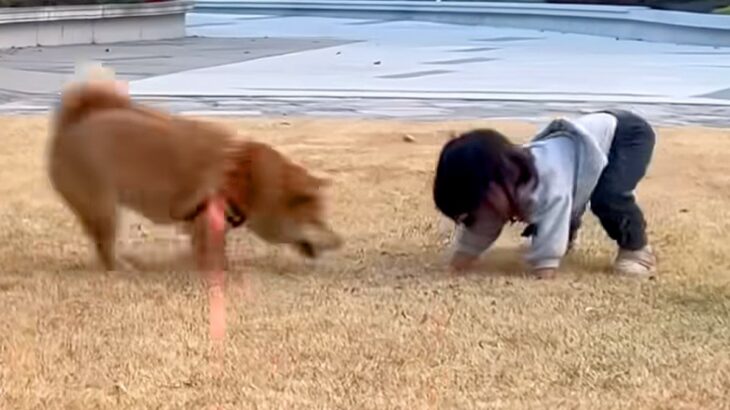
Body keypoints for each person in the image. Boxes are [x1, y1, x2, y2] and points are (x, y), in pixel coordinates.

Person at [433, 109, 657, 278]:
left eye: (480, 207)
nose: (484, 216)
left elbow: (554, 211)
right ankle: (567, 238)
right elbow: (482, 224)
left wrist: (545, 266)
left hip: (625, 135)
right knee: (565, 195)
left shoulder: (546, 180)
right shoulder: (499, 186)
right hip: (579, 149)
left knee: (608, 196)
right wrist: (462, 258)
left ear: (495, 186)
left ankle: (637, 251)